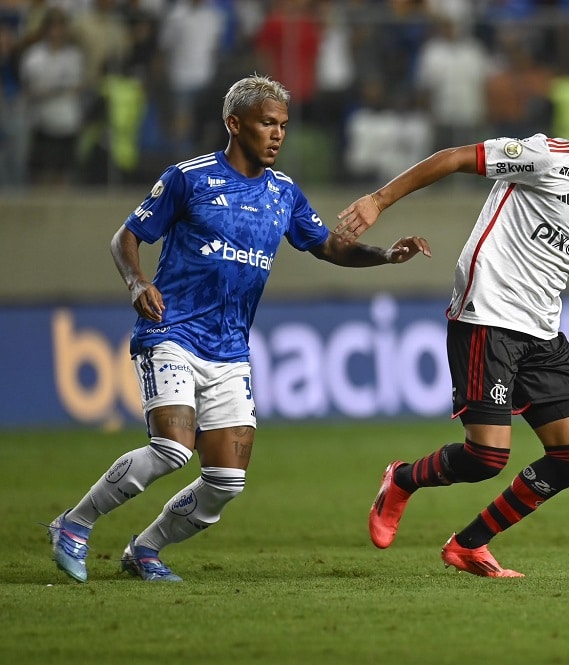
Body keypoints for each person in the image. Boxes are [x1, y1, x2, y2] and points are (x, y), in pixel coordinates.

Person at [47, 75, 431, 583]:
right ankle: (74, 524)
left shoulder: (283, 193)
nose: (278, 135)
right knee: (172, 449)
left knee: (226, 481)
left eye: (283, 126)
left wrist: (384, 255)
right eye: (267, 123)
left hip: (230, 350)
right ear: (234, 123)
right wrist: (137, 283)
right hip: (173, 331)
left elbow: (327, 246)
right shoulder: (189, 178)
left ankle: (145, 550)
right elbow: (126, 237)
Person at [335, 81, 569, 578]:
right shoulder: (546, 157)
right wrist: (378, 200)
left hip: (543, 330)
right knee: (486, 456)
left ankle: (468, 544)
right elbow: (455, 156)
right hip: (487, 314)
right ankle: (401, 480)